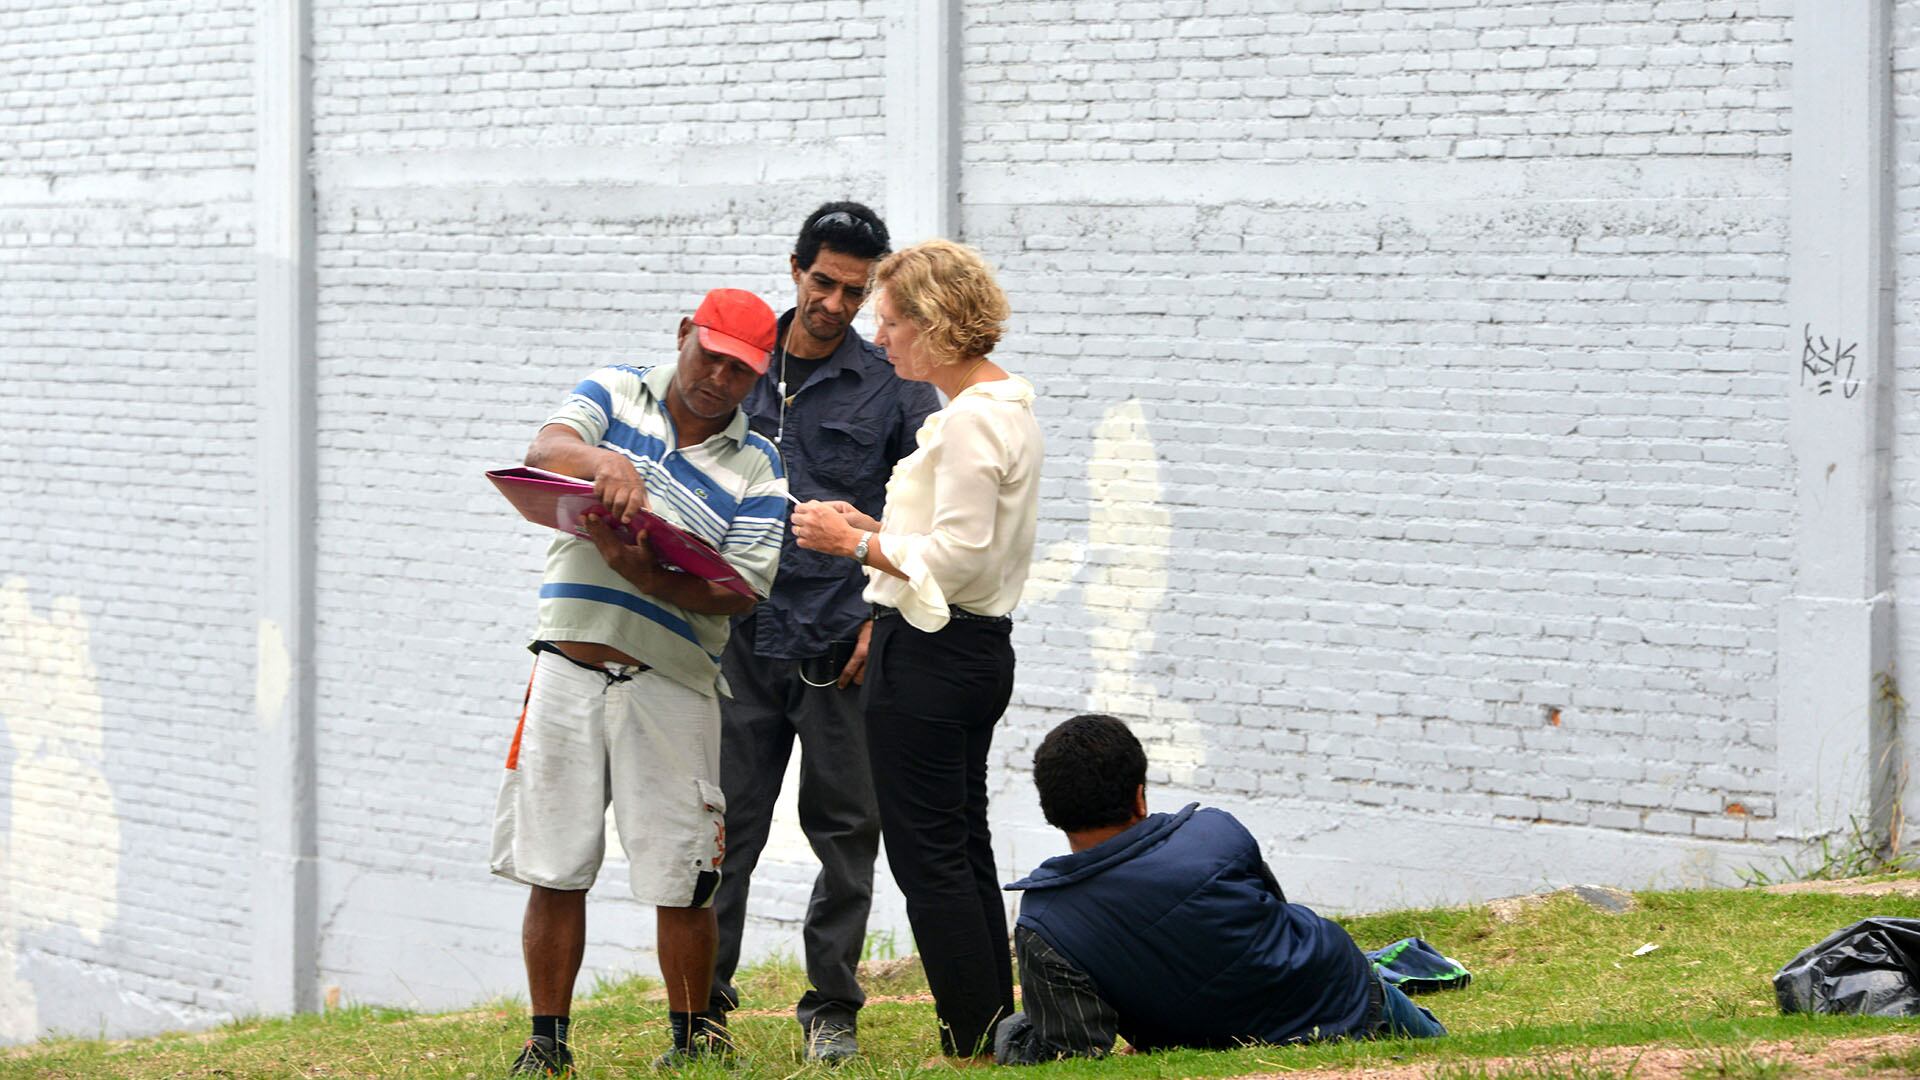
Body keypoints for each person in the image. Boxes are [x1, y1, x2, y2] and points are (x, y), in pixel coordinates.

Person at [489, 288, 787, 1076]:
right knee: (554, 864)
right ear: (685, 333)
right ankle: (546, 1043)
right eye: (711, 357)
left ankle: (692, 1040)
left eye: (740, 372)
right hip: (568, 663)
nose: (721, 379)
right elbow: (546, 450)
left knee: (684, 871)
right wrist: (606, 463)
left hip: (674, 678)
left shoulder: (760, 464)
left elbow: (742, 590)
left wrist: (649, 574)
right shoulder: (616, 390)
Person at [791, 239, 1043, 1061]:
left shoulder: (971, 422)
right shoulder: (1004, 405)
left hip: (932, 652)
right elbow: (958, 541)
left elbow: (963, 555)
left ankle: (972, 1037)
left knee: (928, 854)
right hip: (973, 648)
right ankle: (991, 1022)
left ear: (935, 325)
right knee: (959, 839)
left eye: (892, 321)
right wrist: (874, 530)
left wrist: (853, 547)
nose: (880, 336)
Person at [706, 203, 940, 1063]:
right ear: (796, 267)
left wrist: (883, 620)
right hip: (736, 642)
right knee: (722, 833)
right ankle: (704, 1008)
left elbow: (929, 512)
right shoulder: (736, 367)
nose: (837, 304)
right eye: (824, 283)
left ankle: (832, 1008)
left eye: (855, 290)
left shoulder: (894, 386)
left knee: (847, 835)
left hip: (841, 646)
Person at [994, 714, 1447, 1065]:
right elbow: (1272, 918)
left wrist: (1011, 1034)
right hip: (1347, 991)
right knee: (1444, 1054)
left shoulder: (1045, 922)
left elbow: (1073, 1048)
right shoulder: (1215, 831)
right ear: (1139, 796)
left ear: (1050, 811)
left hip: (1238, 1028)